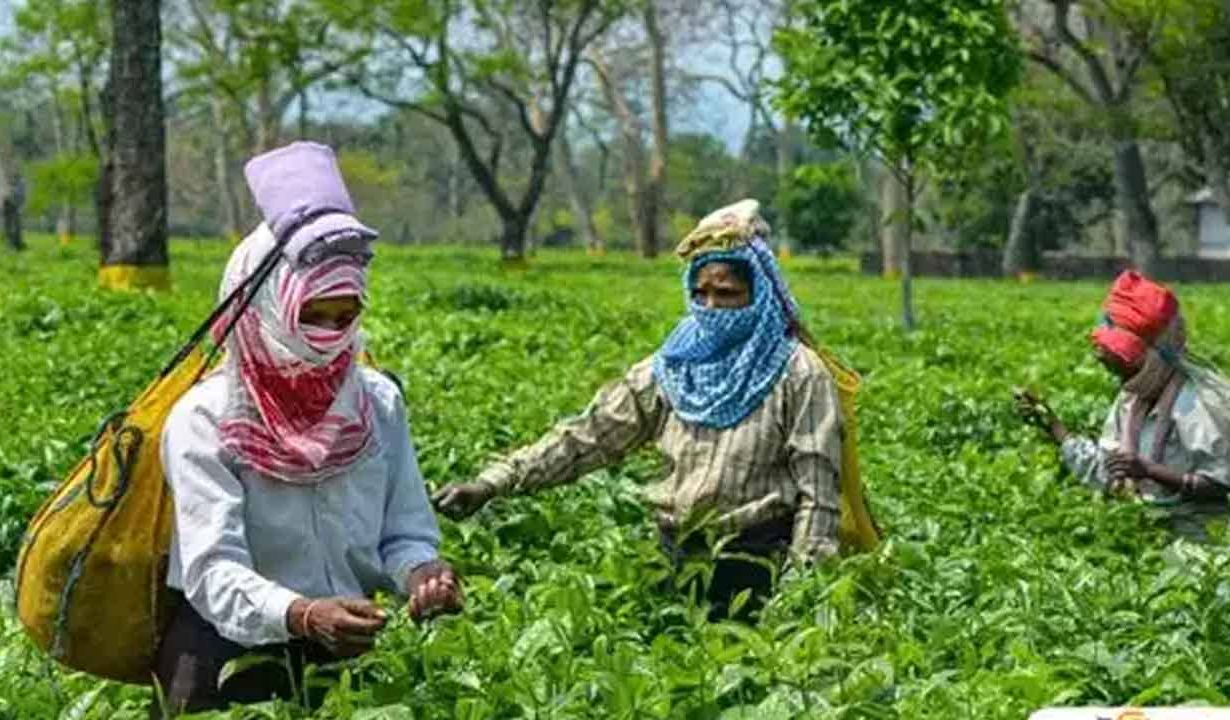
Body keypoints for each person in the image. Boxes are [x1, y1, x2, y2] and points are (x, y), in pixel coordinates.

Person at [153, 142, 462, 716]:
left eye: (344, 318)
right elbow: (212, 569)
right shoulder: (206, 417)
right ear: (266, 309)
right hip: (225, 660)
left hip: (345, 655)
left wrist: (422, 572)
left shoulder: (376, 403)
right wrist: (299, 614)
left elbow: (404, 531)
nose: (328, 337)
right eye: (311, 317)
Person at [433, 199, 848, 620]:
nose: (711, 307)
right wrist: (492, 483)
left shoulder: (797, 372)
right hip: (674, 559)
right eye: (700, 293)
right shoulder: (672, 366)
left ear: (758, 294)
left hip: (757, 566)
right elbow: (589, 436)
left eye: (727, 294)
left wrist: (799, 595)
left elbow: (819, 494)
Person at [1017, 270, 1230, 538]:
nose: (1118, 374)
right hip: (1143, 535)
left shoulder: (1196, 405)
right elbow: (1110, 470)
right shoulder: (1132, 402)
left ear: (1157, 356)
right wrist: (1054, 428)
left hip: (1198, 544)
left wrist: (1150, 471)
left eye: (1126, 364)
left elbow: (1222, 484)